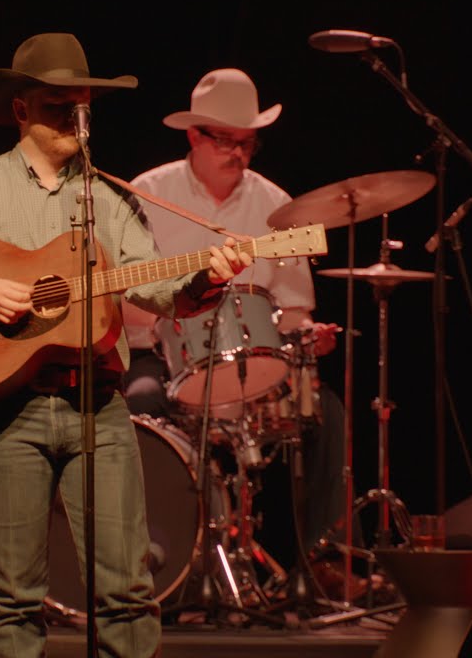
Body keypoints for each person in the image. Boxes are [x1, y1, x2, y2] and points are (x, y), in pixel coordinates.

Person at [0, 33, 253, 658]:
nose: (73, 117)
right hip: (7, 410)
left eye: (81, 105)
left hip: (99, 405)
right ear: (20, 108)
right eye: (56, 104)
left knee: (127, 592)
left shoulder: (110, 198)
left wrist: (206, 278)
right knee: (11, 597)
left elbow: (158, 288)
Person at [119, 68, 362, 601]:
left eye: (247, 142)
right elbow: (121, 303)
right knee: (138, 405)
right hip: (164, 360)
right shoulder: (147, 194)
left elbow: (293, 309)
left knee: (326, 411)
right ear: (194, 135)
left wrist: (308, 336)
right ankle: (160, 568)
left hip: (255, 364)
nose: (238, 153)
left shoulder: (277, 204)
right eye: (225, 140)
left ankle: (320, 562)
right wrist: (160, 316)